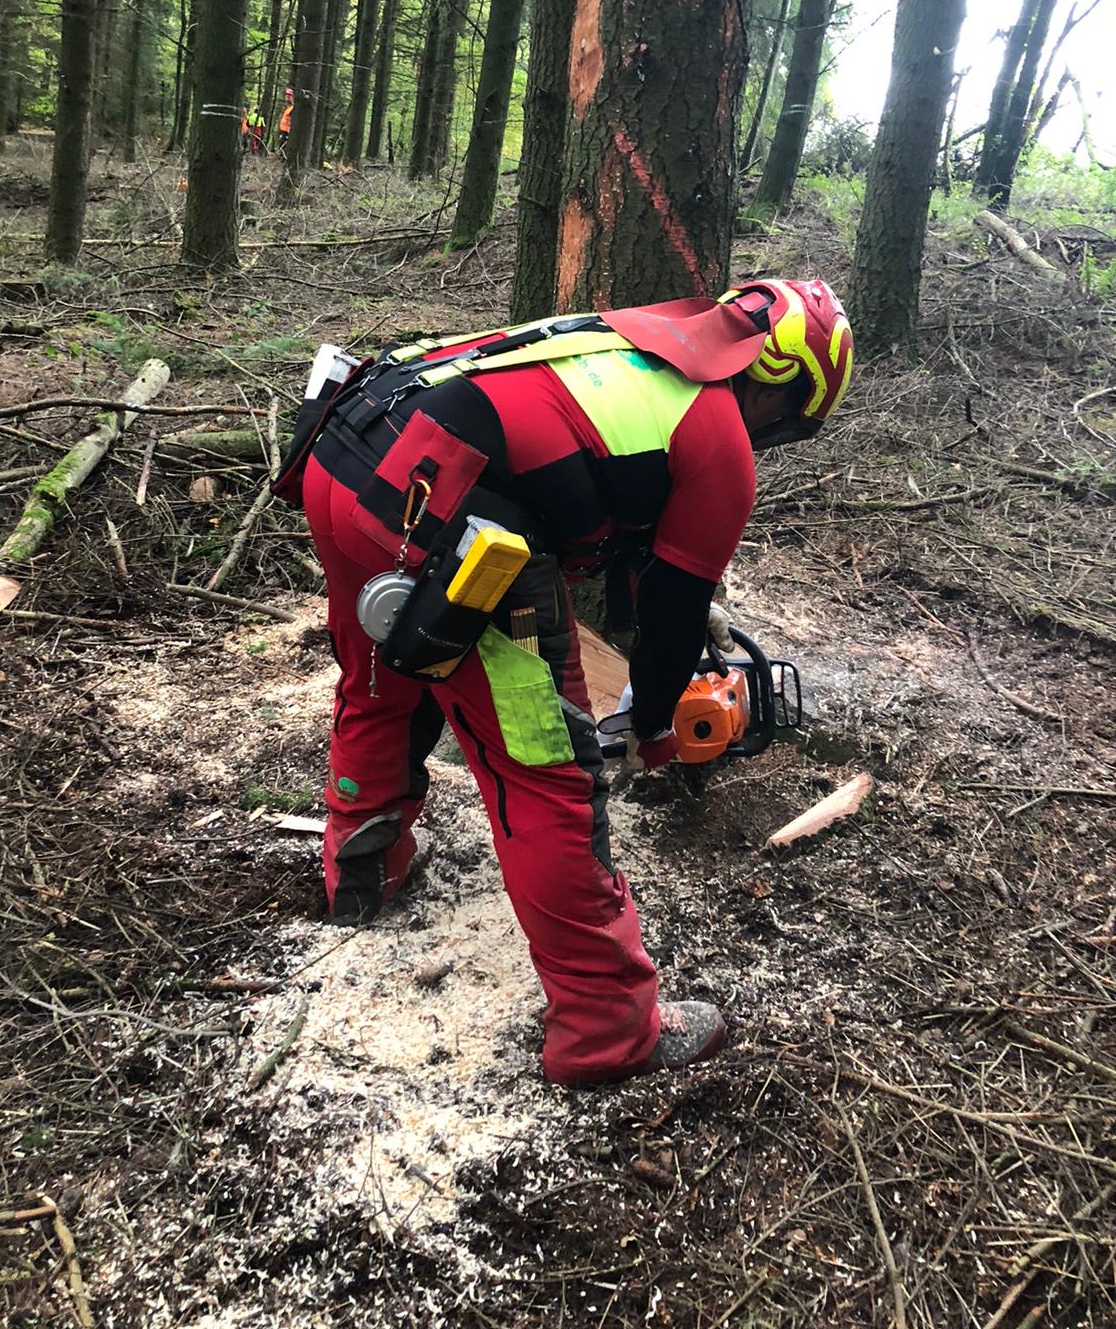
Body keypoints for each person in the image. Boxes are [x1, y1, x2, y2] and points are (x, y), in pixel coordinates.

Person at [287, 280, 853, 1086]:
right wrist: (651, 722)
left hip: (350, 456)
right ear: (781, 385)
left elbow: (612, 510)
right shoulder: (718, 435)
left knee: (379, 686)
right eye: (788, 418)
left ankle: (364, 868)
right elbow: (670, 611)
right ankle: (607, 1029)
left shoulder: (638, 341)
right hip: (451, 521)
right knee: (547, 770)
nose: (772, 435)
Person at [277, 87, 294, 154]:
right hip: (283, 130)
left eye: (290, 95)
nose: (287, 97)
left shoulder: (292, 108)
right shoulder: (288, 108)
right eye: (287, 95)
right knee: (281, 146)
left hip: (287, 131)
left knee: (283, 147)